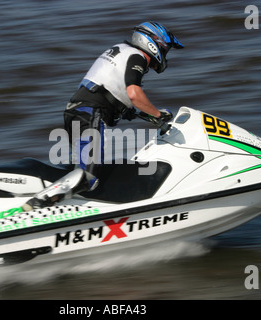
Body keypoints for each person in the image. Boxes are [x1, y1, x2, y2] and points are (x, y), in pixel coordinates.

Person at [23, 21, 184, 211]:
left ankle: (63, 209)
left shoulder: (121, 50)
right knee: (87, 176)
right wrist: (158, 115)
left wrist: (136, 113)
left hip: (78, 112)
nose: (165, 55)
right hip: (90, 114)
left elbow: (111, 92)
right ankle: (37, 205)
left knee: (84, 173)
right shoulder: (137, 57)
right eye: (165, 49)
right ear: (155, 43)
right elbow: (133, 93)